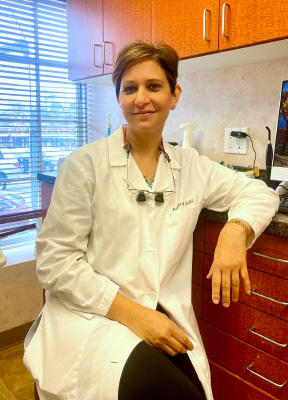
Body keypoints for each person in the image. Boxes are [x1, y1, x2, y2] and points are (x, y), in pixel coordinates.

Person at [24, 40, 279, 400]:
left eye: (154, 86)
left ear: (174, 95)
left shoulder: (190, 165)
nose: (141, 98)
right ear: (119, 97)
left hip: (163, 311)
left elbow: (260, 193)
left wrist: (235, 231)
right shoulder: (84, 165)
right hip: (94, 313)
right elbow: (55, 263)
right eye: (130, 88)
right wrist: (135, 315)